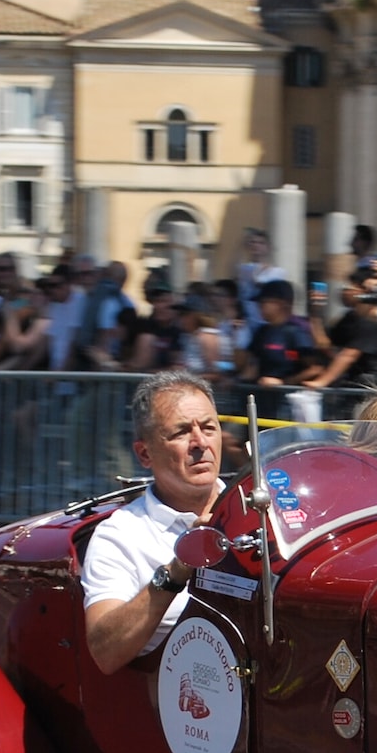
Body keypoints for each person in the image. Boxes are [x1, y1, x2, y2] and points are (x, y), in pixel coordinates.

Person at [83, 371, 226, 676]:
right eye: (181, 432)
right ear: (145, 453)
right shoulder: (120, 535)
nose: (200, 442)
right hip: (177, 707)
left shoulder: (261, 508)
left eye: (209, 427)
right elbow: (104, 652)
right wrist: (176, 571)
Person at [244, 279, 321, 400]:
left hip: (289, 400)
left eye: (264, 302)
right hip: (262, 398)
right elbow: (252, 365)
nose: (260, 307)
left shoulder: (295, 332)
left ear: (280, 303)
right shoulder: (261, 332)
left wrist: (284, 382)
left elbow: (315, 369)